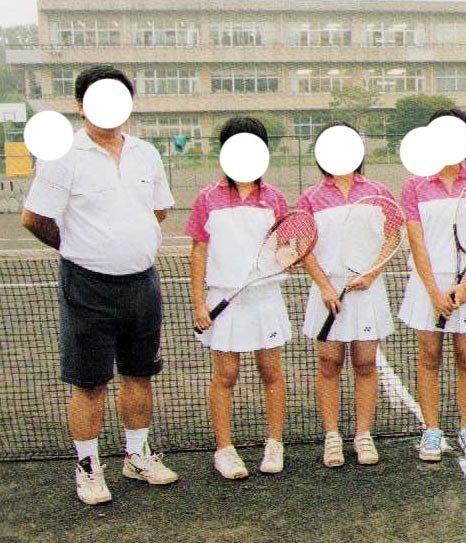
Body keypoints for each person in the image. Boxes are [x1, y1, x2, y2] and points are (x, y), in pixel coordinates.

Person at [20, 65, 178, 505]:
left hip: (142, 283)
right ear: (80, 105)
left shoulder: (146, 153)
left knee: (139, 374)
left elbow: (158, 210)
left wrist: (127, 239)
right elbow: (34, 218)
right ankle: (88, 467)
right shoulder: (63, 156)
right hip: (87, 286)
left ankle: (137, 456)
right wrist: (78, 246)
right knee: (89, 382)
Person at [187, 117, 290, 479]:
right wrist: (199, 302)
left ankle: (275, 443)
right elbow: (199, 251)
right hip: (224, 297)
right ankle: (224, 450)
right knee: (226, 374)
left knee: (271, 371)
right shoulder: (207, 199)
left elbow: (285, 246)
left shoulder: (275, 198)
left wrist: (289, 255)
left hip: (265, 298)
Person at [298, 123, 396, 468]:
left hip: (367, 289)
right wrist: (325, 285)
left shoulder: (378, 191)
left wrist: (372, 273)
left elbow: (393, 236)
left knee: (366, 363)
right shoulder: (310, 198)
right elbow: (304, 247)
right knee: (329, 363)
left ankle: (363, 435)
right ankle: (332, 437)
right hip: (327, 292)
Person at [398, 108, 466, 462]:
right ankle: (432, 430)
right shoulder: (414, 186)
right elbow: (417, 241)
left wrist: (465, 286)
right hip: (428, 286)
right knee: (429, 357)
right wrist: (434, 291)